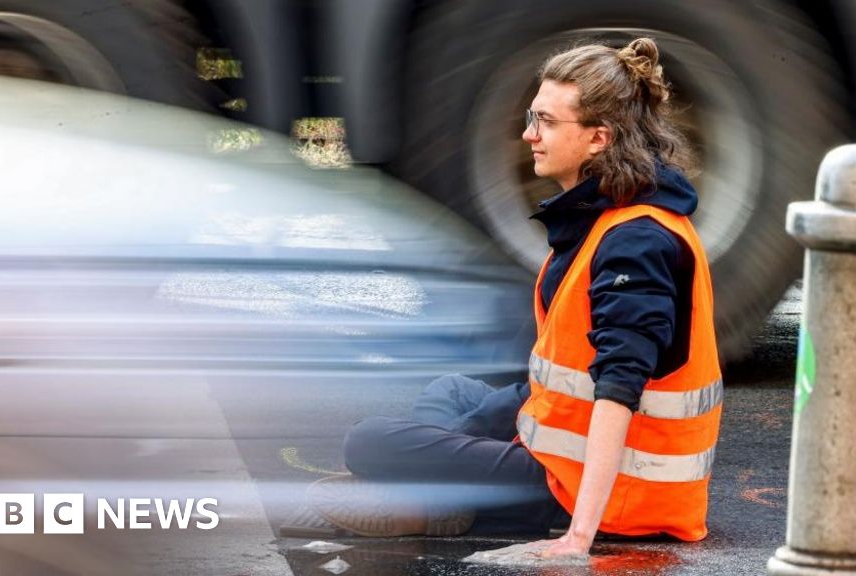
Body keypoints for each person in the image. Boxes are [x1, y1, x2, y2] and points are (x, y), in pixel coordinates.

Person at [306, 37, 722, 558]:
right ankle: (431, 490)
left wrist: (579, 537)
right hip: (562, 443)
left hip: (605, 493)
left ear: (599, 137)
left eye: (545, 121)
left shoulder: (635, 242)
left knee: (369, 442)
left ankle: (426, 495)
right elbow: (566, 377)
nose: (529, 134)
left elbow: (619, 388)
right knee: (452, 390)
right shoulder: (609, 217)